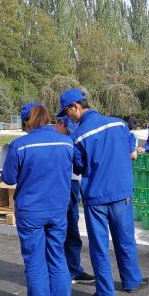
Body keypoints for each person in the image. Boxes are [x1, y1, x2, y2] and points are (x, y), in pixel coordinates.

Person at [57, 89, 149, 296]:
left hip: (96, 197)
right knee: (125, 239)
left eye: (66, 112)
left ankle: (106, 293)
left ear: (75, 107)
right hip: (121, 194)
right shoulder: (118, 123)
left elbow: (78, 167)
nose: (67, 117)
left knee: (99, 246)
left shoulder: (78, 137)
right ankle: (132, 281)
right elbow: (131, 144)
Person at [1, 103, 74, 296]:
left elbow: (9, 178)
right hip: (58, 208)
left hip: (31, 210)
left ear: (27, 122)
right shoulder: (66, 142)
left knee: (34, 261)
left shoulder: (19, 145)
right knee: (58, 256)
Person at [54, 116, 95, 284]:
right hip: (60, 185)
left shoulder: (72, 137)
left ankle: (73, 270)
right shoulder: (53, 140)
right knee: (59, 230)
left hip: (72, 183)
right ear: (60, 124)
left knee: (71, 228)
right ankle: (60, 272)